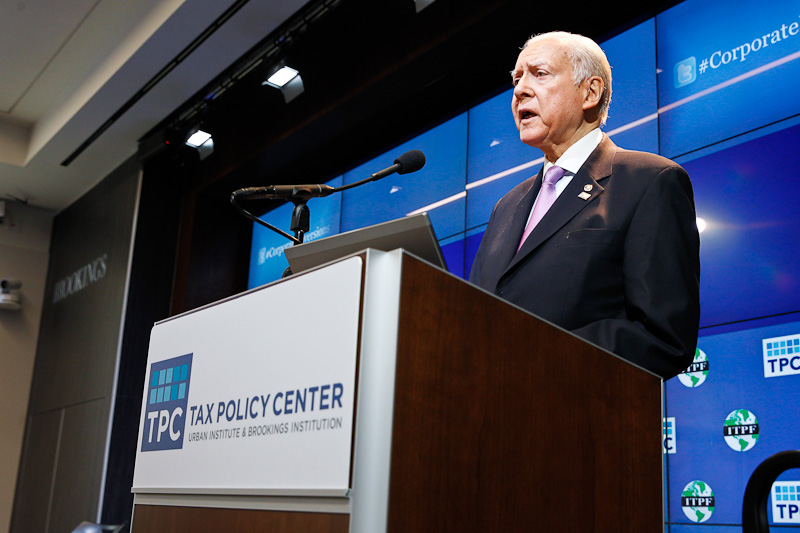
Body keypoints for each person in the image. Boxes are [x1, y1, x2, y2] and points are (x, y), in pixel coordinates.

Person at [469, 31, 700, 380]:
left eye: (539, 74)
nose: (520, 90)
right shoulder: (507, 205)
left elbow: (662, 337)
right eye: (516, 79)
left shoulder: (650, 181)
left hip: (577, 404)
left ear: (590, 92)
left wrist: (534, 357)